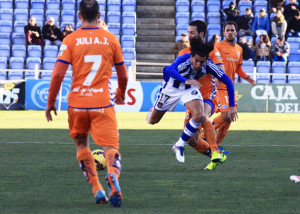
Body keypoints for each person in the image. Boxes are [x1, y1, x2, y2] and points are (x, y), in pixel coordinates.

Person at [45, 0, 128, 207]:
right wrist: (121, 92)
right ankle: (112, 175)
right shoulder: (111, 39)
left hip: (78, 105)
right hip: (102, 103)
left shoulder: (71, 39)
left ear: (79, 16)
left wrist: (51, 102)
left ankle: (97, 189)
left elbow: (57, 75)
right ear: (99, 15)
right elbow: (123, 74)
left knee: (82, 145)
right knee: (111, 147)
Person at [147, 38, 238, 167]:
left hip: (189, 88)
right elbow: (168, 70)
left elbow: (228, 81)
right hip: (172, 88)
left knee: (200, 114)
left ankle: (179, 144)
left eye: (202, 62)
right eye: (196, 61)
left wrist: (232, 106)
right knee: (152, 120)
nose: (198, 65)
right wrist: (185, 80)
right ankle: (153, 111)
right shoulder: (184, 58)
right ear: (191, 57)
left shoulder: (208, 65)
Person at [177, 20, 229, 170]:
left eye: (192, 33)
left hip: (208, 96)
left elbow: (221, 71)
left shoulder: (211, 51)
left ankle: (215, 151)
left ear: (201, 34)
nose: (189, 35)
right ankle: (217, 155)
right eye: (188, 33)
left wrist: (218, 79)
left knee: (202, 115)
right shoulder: (183, 53)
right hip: (192, 98)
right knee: (192, 139)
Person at [200, 21, 256, 152]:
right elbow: (208, 63)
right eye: (227, 30)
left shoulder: (239, 49)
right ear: (224, 32)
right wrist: (212, 78)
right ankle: (203, 138)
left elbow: (238, 68)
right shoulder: (217, 47)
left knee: (230, 117)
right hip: (219, 86)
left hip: (230, 87)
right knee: (226, 115)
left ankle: (217, 145)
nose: (230, 32)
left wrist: (247, 78)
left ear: (236, 32)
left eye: (232, 30)